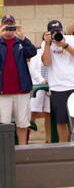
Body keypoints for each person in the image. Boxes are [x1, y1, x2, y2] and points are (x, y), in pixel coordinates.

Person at [41, 20, 74, 143]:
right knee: (61, 121)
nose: (57, 34)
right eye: (54, 32)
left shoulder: (72, 39)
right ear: (48, 33)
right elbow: (46, 62)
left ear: (63, 30)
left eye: (59, 31)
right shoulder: (46, 44)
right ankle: (65, 147)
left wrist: (65, 45)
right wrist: (47, 44)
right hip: (58, 87)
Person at [0, 14, 37, 145]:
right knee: (4, 126)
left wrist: (23, 37)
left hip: (22, 90)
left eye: (11, 25)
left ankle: (22, 151)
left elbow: (32, 52)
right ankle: (5, 154)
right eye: (6, 25)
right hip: (3, 92)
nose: (9, 28)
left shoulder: (20, 42)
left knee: (22, 123)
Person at [29, 32, 51, 143]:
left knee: (49, 113)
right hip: (38, 84)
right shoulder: (36, 53)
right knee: (33, 112)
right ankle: (26, 138)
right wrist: (42, 80)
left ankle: (49, 139)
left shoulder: (56, 52)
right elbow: (33, 70)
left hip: (51, 86)